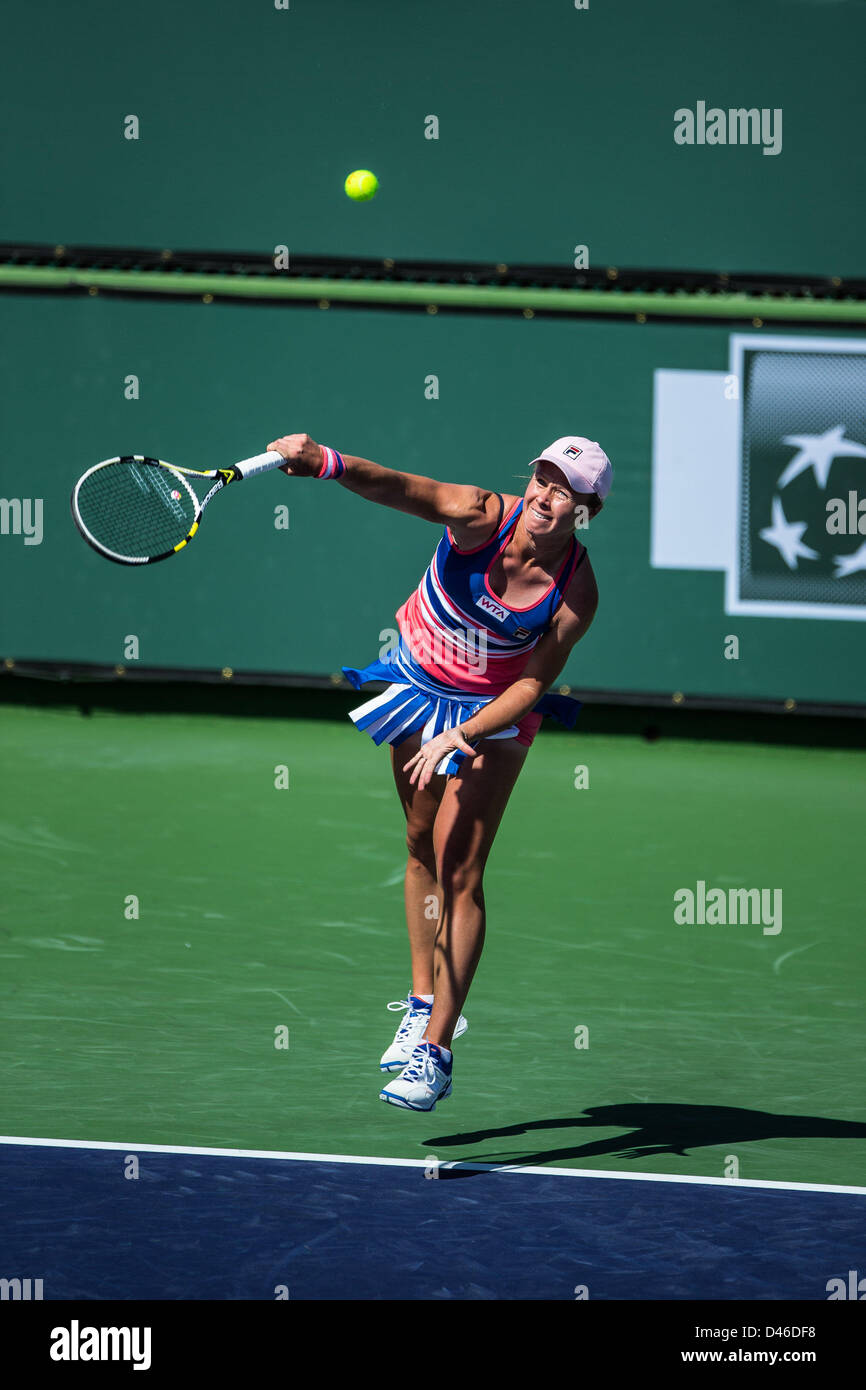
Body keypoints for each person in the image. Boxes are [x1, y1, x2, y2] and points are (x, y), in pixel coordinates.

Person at [267, 432, 611, 1111]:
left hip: (493, 712)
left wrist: (464, 731)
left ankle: (437, 1050)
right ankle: (420, 997)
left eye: (563, 490)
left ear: (586, 509)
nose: (545, 495)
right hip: (419, 680)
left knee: (461, 869)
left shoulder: (578, 591)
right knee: (419, 843)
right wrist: (328, 463)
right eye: (542, 477)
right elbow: (397, 486)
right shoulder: (481, 513)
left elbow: (533, 683)